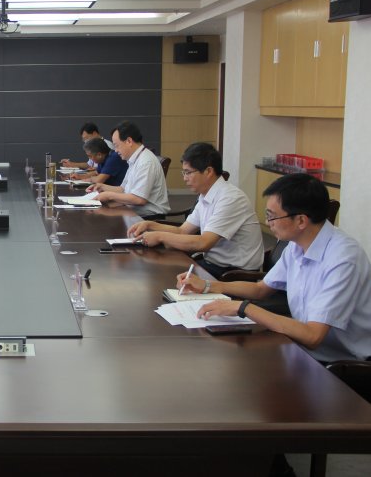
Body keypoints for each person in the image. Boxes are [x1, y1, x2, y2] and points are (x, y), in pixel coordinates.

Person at [179, 173, 371, 363]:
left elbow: (313, 336)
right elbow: (260, 289)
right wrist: (207, 285)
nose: (268, 223)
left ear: (301, 221)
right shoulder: (297, 245)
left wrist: (242, 307)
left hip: (342, 364)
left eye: (272, 216)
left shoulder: (343, 259)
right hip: (300, 348)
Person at [128, 142, 263, 277]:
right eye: (184, 173)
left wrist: (159, 236)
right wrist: (150, 225)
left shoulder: (230, 198)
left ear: (208, 171)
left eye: (188, 172)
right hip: (214, 264)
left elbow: (204, 242)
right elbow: (183, 231)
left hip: (234, 273)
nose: (184, 178)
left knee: (164, 275)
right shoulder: (206, 195)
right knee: (159, 269)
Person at [86, 121, 170, 217]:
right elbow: (123, 189)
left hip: (147, 216)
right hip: (133, 210)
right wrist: (102, 187)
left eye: (116, 145)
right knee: (98, 212)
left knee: (99, 216)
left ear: (129, 141)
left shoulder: (146, 162)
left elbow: (139, 199)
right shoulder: (134, 159)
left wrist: (109, 195)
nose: (116, 150)